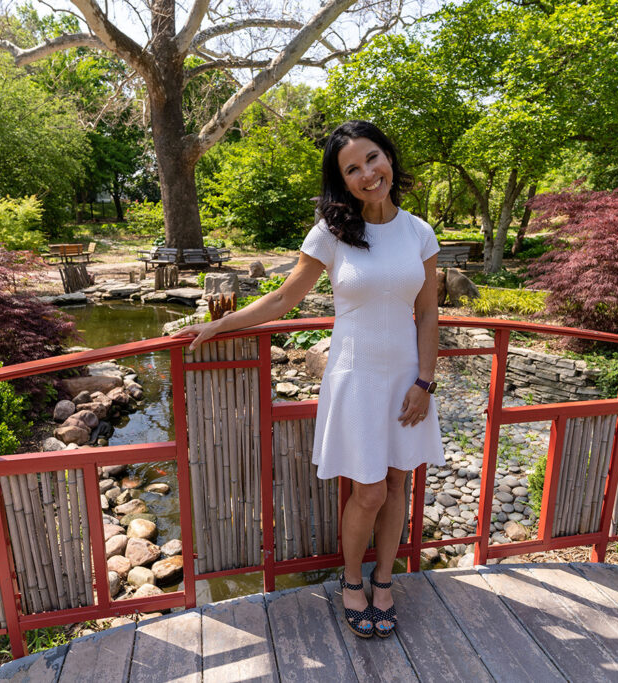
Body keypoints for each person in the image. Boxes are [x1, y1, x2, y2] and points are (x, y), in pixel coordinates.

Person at [171, 120, 444, 639]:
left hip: (407, 378)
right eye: (352, 168)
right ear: (342, 181)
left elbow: (428, 313)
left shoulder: (419, 232)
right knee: (368, 492)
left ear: (389, 156)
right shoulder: (333, 233)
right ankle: (350, 581)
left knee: (398, 481)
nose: (368, 173)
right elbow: (282, 299)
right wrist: (220, 323)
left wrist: (424, 382)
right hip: (356, 378)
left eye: (373, 158)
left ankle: (385, 580)